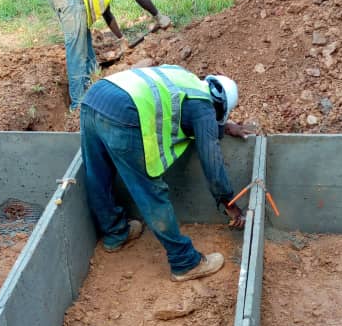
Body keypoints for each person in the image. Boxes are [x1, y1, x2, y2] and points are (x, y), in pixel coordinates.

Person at [80, 64, 247, 282]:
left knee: (97, 174)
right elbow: (212, 163)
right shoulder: (204, 108)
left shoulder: (186, 77)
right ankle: (184, 262)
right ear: (220, 107)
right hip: (124, 115)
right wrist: (229, 202)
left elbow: (194, 114)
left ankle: (115, 233)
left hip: (95, 97)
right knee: (150, 191)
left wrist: (224, 126)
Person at [45, 0, 171, 110]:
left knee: (83, 38)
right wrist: (158, 15)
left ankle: (93, 82)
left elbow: (107, 13)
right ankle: (78, 106)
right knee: (76, 48)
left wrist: (121, 39)